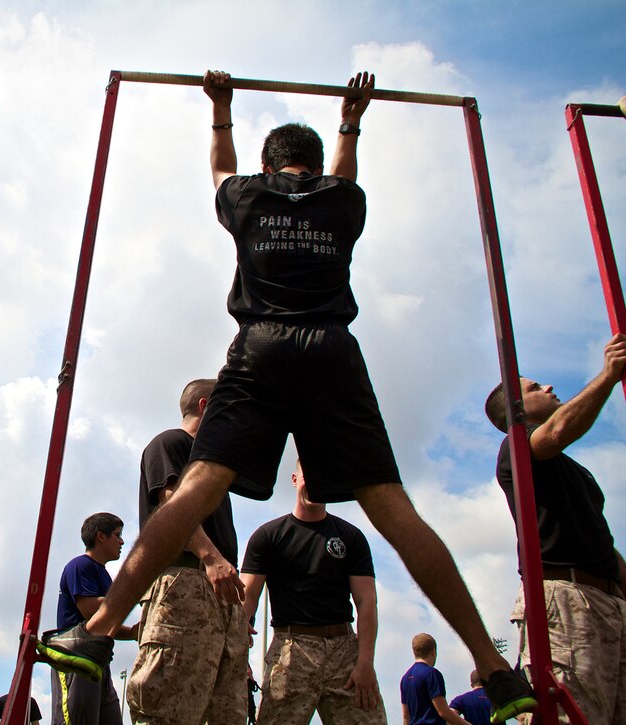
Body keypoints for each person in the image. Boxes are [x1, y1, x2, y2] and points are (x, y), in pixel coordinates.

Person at [40, 68, 536, 723]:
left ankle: (96, 629)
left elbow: (219, 166)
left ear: (270, 164)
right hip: (332, 348)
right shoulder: (343, 200)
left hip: (262, 344)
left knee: (193, 491)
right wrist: (350, 121)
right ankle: (496, 669)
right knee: (396, 511)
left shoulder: (246, 194)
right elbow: (347, 174)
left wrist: (221, 109)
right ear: (314, 165)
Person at [484, 333, 626, 724]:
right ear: (516, 409)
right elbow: (558, 432)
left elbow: (601, 541)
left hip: (610, 600)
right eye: (534, 387)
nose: (547, 387)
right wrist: (609, 376)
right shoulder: (516, 447)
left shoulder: (574, 471)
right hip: (566, 599)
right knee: (571, 715)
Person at [125, 379, 248, 723]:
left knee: (226, 712)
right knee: (169, 709)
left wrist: (231, 608)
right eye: (227, 409)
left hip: (216, 592)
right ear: (206, 406)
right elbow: (172, 508)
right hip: (183, 583)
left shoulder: (211, 462)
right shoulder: (171, 443)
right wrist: (211, 558)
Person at [241, 460, 385, 724]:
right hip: (290, 650)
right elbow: (248, 596)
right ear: (295, 479)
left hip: (345, 652)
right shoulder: (268, 536)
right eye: (309, 475)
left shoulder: (351, 537)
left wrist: (365, 662)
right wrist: (238, 652)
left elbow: (366, 601)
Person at [51, 513, 132, 725]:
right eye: (118, 535)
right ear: (101, 537)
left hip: (99, 662)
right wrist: (131, 594)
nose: (122, 541)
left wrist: (132, 632)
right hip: (76, 661)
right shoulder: (80, 566)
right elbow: (89, 610)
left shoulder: (104, 575)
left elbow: (104, 622)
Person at [400, 634, 471, 725]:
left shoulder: (405, 678)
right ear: (433, 652)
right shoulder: (431, 674)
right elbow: (443, 712)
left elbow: (406, 715)